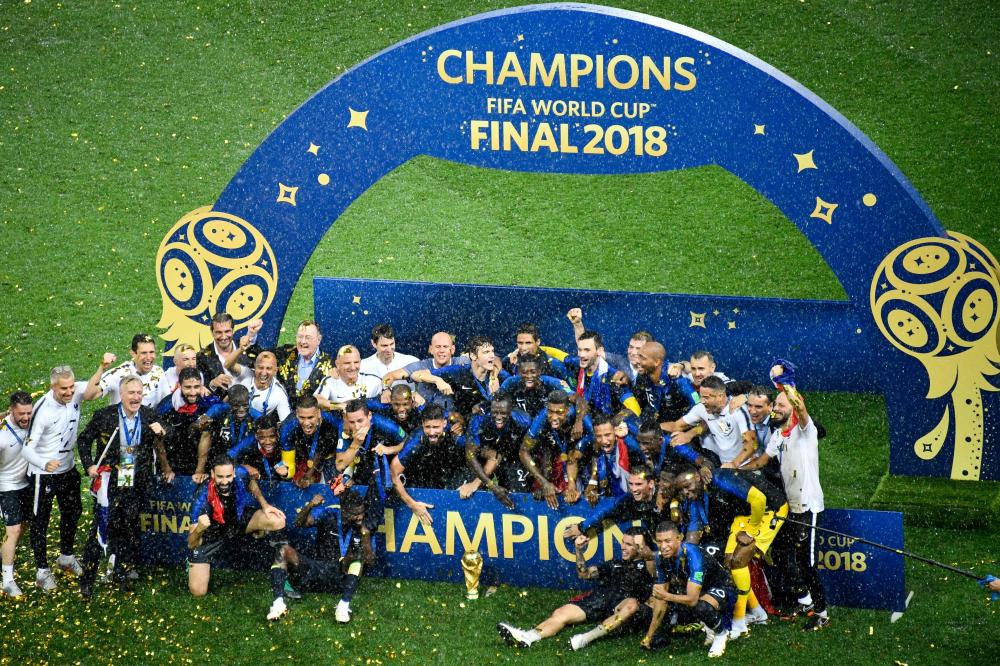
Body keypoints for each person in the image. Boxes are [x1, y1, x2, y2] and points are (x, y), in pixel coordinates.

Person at [740, 361, 829, 630]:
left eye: (779, 405)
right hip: (791, 507)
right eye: (775, 405)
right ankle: (805, 600)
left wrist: (785, 384)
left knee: (807, 562)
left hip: (808, 507)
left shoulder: (806, 431)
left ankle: (822, 612)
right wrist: (734, 469)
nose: (775, 409)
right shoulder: (779, 435)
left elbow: (800, 408)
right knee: (780, 549)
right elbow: (762, 461)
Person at [77, 375, 171, 596]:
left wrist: (163, 431)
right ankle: (87, 577)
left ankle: (121, 571)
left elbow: (170, 432)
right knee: (102, 526)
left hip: (134, 480)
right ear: (121, 394)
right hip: (110, 479)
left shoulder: (148, 415)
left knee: (128, 525)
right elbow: (83, 440)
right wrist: (90, 465)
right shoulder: (105, 416)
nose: (136, 397)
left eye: (139, 393)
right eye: (131, 393)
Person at [23, 360, 111, 592]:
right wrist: (44, 462)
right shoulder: (42, 410)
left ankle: (66, 556)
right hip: (44, 473)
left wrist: (101, 367)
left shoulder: (75, 393)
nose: (70, 392)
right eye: (64, 389)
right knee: (40, 521)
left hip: (68, 468)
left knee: (72, 512)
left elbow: (91, 392)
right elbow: (27, 448)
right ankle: (42, 571)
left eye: (72, 386)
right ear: (53, 387)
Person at [673, 465, 787, 638]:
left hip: (770, 509)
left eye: (687, 487)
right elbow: (695, 526)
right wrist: (689, 551)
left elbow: (759, 499)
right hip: (744, 515)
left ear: (698, 478)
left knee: (739, 561)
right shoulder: (697, 495)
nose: (686, 493)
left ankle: (739, 623)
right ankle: (758, 613)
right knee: (728, 563)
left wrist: (750, 532)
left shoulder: (721, 480)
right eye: (682, 490)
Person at [497, 528, 652, 650]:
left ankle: (585, 639)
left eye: (629, 545)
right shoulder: (615, 564)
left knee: (631, 604)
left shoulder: (650, 564)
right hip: (602, 601)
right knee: (561, 613)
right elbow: (584, 574)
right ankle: (528, 637)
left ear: (640, 548)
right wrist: (579, 551)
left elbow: (652, 559)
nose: (623, 547)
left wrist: (644, 548)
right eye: (623, 542)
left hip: (628, 610)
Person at [187, 454, 286, 597]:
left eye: (228, 476)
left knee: (277, 519)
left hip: (236, 522)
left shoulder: (241, 473)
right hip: (212, 535)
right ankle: (190, 565)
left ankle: (281, 573)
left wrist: (265, 505)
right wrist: (200, 529)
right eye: (220, 477)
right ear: (212, 474)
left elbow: (251, 482)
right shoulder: (201, 498)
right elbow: (191, 543)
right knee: (198, 592)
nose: (225, 481)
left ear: (234, 472)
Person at [267, 489, 365, 622]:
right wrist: (310, 506)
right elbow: (299, 523)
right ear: (344, 510)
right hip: (314, 570)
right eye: (355, 514)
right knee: (283, 550)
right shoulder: (330, 514)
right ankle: (278, 603)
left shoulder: (363, 525)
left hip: (339, 577)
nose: (359, 517)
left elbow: (369, 559)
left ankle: (343, 606)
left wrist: (366, 536)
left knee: (357, 559)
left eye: (361, 513)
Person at [639, 521, 734, 658]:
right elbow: (660, 599)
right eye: (659, 541)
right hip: (699, 589)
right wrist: (649, 636)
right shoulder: (661, 558)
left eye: (667, 541)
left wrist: (667, 596)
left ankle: (721, 634)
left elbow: (692, 600)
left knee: (700, 607)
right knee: (678, 600)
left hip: (723, 586)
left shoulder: (693, 555)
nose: (663, 546)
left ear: (679, 538)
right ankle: (710, 627)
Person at [519, 390, 592, 509]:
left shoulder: (580, 417)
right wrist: (543, 483)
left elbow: (596, 443)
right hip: (556, 451)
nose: (554, 417)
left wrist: (573, 484)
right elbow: (523, 452)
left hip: (582, 452)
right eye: (551, 412)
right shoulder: (542, 418)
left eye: (559, 412)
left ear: (567, 410)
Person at [411, 335, 509, 419]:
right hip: (463, 425)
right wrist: (438, 380)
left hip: (492, 425)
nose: (492, 356)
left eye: (492, 351)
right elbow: (416, 374)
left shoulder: (499, 376)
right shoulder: (459, 372)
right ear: (473, 356)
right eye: (486, 352)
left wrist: (496, 394)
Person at [664, 376, 753, 466]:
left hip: (749, 466)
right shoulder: (702, 408)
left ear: (720, 396)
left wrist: (734, 464)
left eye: (706, 397)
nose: (702, 401)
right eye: (701, 396)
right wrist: (652, 426)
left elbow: (751, 444)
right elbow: (676, 426)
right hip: (724, 466)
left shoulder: (738, 410)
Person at [464, 395, 532, 507]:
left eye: (503, 413)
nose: (499, 417)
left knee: (519, 495)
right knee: (468, 491)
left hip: (512, 458)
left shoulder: (524, 421)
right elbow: (470, 454)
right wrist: (492, 486)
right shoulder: (479, 418)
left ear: (510, 411)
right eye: (495, 413)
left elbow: (538, 447)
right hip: (484, 456)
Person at [564, 464, 660, 543]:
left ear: (651, 484)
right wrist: (582, 527)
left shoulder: (662, 497)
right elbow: (605, 511)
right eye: (631, 484)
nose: (634, 489)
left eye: (638, 484)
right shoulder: (628, 499)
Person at [383, 331, 469, 410]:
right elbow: (389, 376)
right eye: (438, 347)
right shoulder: (420, 366)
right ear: (431, 349)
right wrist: (386, 389)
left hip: (455, 418)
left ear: (452, 349)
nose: (441, 351)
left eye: (445, 347)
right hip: (425, 418)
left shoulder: (462, 362)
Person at [158, 367, 219, 479]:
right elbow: (158, 441)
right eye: (188, 387)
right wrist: (166, 468)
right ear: (179, 386)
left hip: (202, 465)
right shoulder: (166, 406)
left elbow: (208, 435)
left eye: (196, 387)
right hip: (174, 463)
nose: (192, 392)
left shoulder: (209, 403)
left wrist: (200, 470)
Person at [0, 392, 33, 597]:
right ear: (12, 410)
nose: (26, 418)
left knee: (24, 526)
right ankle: (8, 580)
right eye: (21, 414)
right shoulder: (2, 435)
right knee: (13, 530)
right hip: (6, 486)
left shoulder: (31, 419)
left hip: (26, 483)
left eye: (29, 413)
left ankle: (3, 555)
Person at [277, 394, 341, 487]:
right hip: (303, 456)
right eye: (302, 417)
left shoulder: (333, 420)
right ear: (296, 414)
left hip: (330, 454)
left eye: (310, 417)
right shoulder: (287, 428)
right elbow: (289, 465)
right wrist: (286, 472)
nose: (306, 423)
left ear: (319, 413)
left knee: (335, 488)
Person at [632, 341, 698, 428]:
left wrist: (687, 432)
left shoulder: (678, 381)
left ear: (657, 362)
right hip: (651, 428)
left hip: (675, 431)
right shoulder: (642, 377)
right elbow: (637, 403)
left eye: (643, 358)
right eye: (638, 356)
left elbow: (699, 406)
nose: (638, 361)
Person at [95, 333, 171, 407]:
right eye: (144, 353)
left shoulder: (158, 372)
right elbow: (91, 394)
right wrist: (101, 368)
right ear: (133, 353)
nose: (148, 357)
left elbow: (167, 402)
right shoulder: (119, 373)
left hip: (149, 418)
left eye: (151, 352)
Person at [584, 414, 644, 504]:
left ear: (615, 431)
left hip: (634, 499)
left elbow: (641, 453)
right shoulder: (598, 452)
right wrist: (593, 482)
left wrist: (626, 436)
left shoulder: (627, 445)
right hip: (614, 501)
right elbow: (595, 461)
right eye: (599, 436)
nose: (604, 441)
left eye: (607, 435)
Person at [272, 320, 335, 402]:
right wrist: (252, 335)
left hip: (313, 413)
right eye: (300, 337)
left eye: (308, 337)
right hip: (283, 411)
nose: (303, 341)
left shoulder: (331, 365)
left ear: (318, 340)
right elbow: (258, 357)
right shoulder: (285, 353)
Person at [197, 313, 258, 395]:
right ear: (212, 332)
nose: (223, 337)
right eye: (219, 332)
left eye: (227, 331)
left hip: (251, 401)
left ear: (233, 330)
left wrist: (252, 334)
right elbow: (198, 387)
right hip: (222, 404)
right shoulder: (203, 357)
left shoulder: (246, 348)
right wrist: (213, 384)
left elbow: (262, 359)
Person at [497, 353, 571, 417]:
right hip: (520, 429)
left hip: (545, 428)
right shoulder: (511, 383)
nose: (529, 376)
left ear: (539, 372)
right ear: (519, 372)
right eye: (524, 372)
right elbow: (496, 401)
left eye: (533, 372)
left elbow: (574, 397)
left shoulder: (550, 382)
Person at [313, 344, 382, 412]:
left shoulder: (373, 380)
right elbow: (317, 400)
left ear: (360, 362)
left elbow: (388, 393)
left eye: (356, 362)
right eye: (347, 363)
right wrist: (341, 406)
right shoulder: (330, 381)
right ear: (337, 364)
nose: (352, 367)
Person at [229, 413, 286, 484]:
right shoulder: (248, 442)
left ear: (277, 434)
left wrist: (288, 471)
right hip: (259, 482)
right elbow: (227, 457)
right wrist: (244, 467)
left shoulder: (285, 440)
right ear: (256, 435)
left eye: (272, 436)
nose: (268, 442)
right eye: (262, 438)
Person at [234, 351, 291, 421]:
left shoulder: (279, 394)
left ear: (275, 370)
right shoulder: (244, 379)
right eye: (260, 367)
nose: (263, 373)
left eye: (268, 368)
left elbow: (285, 423)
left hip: (258, 428)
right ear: (255, 367)